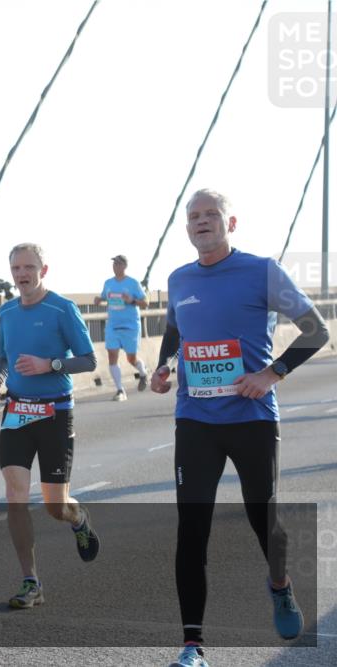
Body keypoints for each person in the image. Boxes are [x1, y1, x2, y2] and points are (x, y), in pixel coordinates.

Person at [151, 190, 330, 667]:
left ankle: (280, 585)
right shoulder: (178, 278)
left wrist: (271, 374)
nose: (202, 222)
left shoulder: (262, 271)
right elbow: (175, 330)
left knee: (263, 519)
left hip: (252, 417)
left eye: (211, 215)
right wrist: (164, 366)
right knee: (191, 529)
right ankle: (192, 646)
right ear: (186, 227)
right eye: (194, 217)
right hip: (195, 419)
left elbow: (317, 330)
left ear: (230, 222)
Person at [0, 243, 100, 610]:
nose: (22, 274)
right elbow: (4, 358)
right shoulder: (6, 312)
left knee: (54, 506)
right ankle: (30, 581)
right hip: (17, 412)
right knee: (15, 493)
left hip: (55, 413)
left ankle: (78, 517)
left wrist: (49, 365)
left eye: (29, 267)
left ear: (43, 270)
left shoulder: (61, 309)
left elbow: (88, 360)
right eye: (16, 267)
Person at [93, 254, 149, 401]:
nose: (115, 266)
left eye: (118, 263)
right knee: (112, 356)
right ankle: (120, 390)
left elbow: (146, 302)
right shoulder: (108, 283)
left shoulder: (133, 283)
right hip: (112, 325)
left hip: (130, 326)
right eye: (114, 264)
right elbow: (104, 297)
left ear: (124, 266)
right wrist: (98, 300)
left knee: (131, 359)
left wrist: (132, 300)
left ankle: (143, 374)